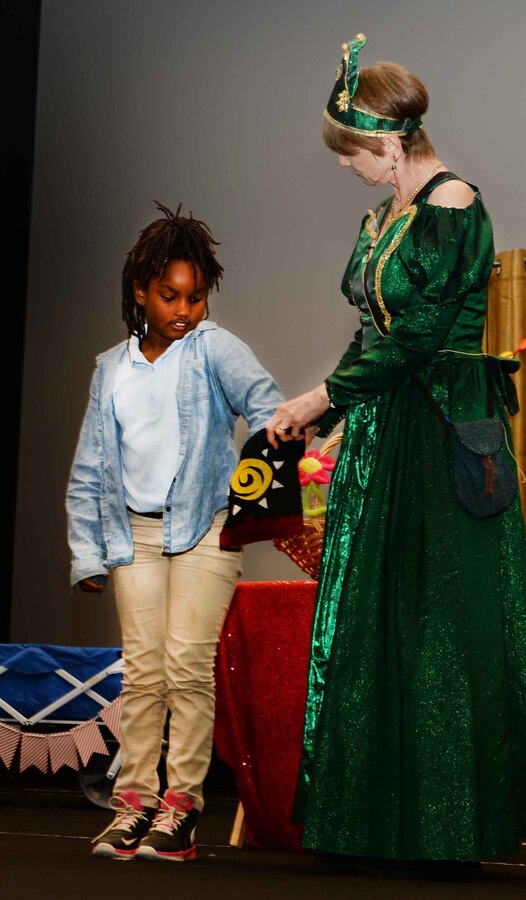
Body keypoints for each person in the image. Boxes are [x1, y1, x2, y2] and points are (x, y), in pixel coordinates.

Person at [265, 34, 526, 872]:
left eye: (353, 152)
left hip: (437, 431)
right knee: (377, 621)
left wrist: (320, 398)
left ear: (392, 141)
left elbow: (423, 333)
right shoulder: (384, 216)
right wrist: (334, 416)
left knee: (440, 620)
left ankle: (448, 823)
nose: (346, 167)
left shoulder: (451, 205)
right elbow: (375, 335)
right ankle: (376, 821)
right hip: (383, 430)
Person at [66, 202, 285, 862]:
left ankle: (181, 806)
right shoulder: (112, 368)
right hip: (133, 535)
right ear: (141, 291)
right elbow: (90, 466)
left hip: (204, 530)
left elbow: (270, 409)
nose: (184, 310)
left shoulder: (213, 348)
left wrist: (260, 471)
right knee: (145, 671)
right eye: (169, 296)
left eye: (195, 296)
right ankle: (133, 802)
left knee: (188, 664)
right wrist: (87, 552)